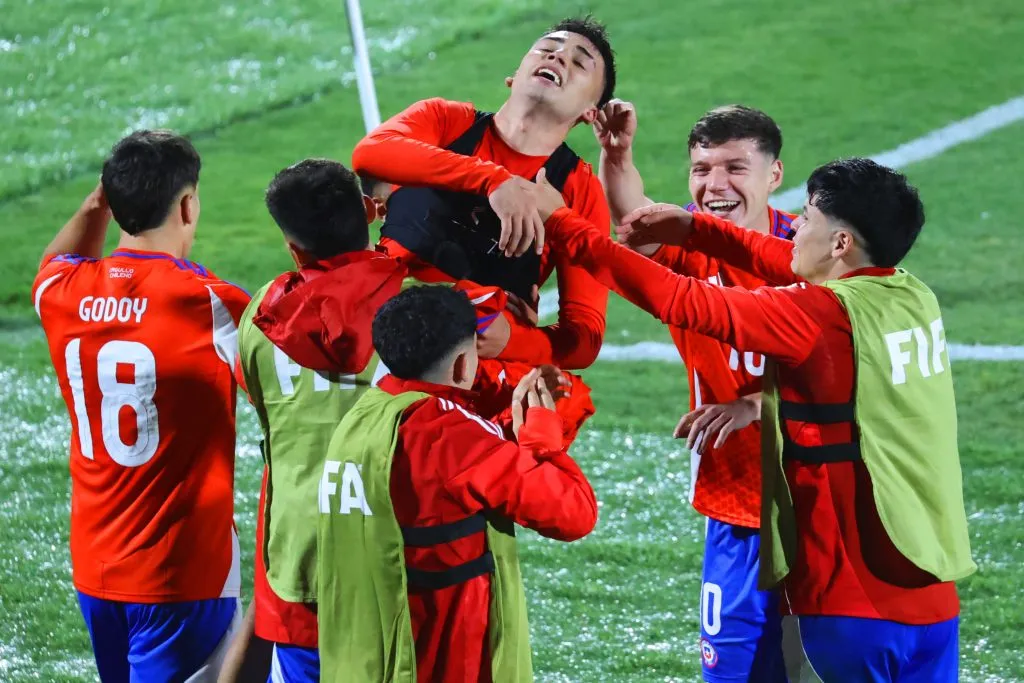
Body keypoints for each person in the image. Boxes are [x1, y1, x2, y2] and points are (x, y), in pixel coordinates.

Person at [535, 157, 974, 681]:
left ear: (840, 245)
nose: (795, 231)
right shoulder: (912, 296)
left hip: (847, 602)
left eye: (807, 219)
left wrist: (559, 222)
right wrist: (698, 229)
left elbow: (676, 298)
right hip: (932, 600)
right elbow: (780, 257)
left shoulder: (814, 316)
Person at [225, 159, 591, 682]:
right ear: (372, 212)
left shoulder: (264, 313)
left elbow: (263, 408)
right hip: (406, 565)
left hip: (298, 552)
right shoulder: (430, 314)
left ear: (293, 247)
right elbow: (514, 403)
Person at [31, 130, 250, 681]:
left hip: (96, 567)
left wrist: (99, 202)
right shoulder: (212, 303)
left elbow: (56, 260)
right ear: (186, 204)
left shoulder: (62, 292)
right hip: (182, 577)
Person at [595, 102, 793, 680]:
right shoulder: (690, 242)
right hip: (733, 506)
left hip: (816, 506)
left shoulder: (808, 255)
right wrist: (617, 156)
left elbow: (857, 370)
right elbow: (635, 225)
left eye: (735, 168)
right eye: (702, 169)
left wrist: (754, 404)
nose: (715, 185)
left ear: (773, 176)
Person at [317, 285, 599, 682]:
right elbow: (574, 514)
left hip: (363, 655)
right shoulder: (449, 436)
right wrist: (542, 436)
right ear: (463, 366)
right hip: (441, 658)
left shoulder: (361, 416)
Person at [351, 15, 617, 370]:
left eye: (580, 61)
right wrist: (493, 180)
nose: (558, 58)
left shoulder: (577, 189)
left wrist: (515, 340)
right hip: (378, 346)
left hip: (474, 378)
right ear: (513, 76)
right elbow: (370, 153)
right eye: (547, 49)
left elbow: (585, 337)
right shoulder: (446, 122)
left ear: (590, 113)